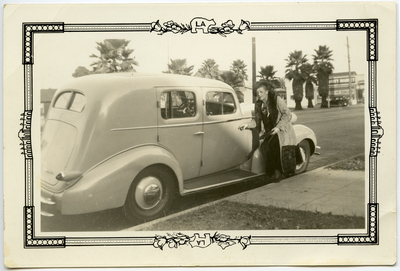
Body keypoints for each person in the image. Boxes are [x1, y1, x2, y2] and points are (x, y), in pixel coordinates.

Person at [238, 82, 301, 180]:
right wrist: (247, 125)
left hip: (283, 130)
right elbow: (257, 120)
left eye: (261, 91)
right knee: (265, 147)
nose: (259, 94)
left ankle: (278, 173)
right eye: (257, 92)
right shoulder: (258, 104)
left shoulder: (276, 100)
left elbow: (287, 114)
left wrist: (278, 127)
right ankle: (272, 172)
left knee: (274, 146)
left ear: (266, 91)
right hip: (271, 131)